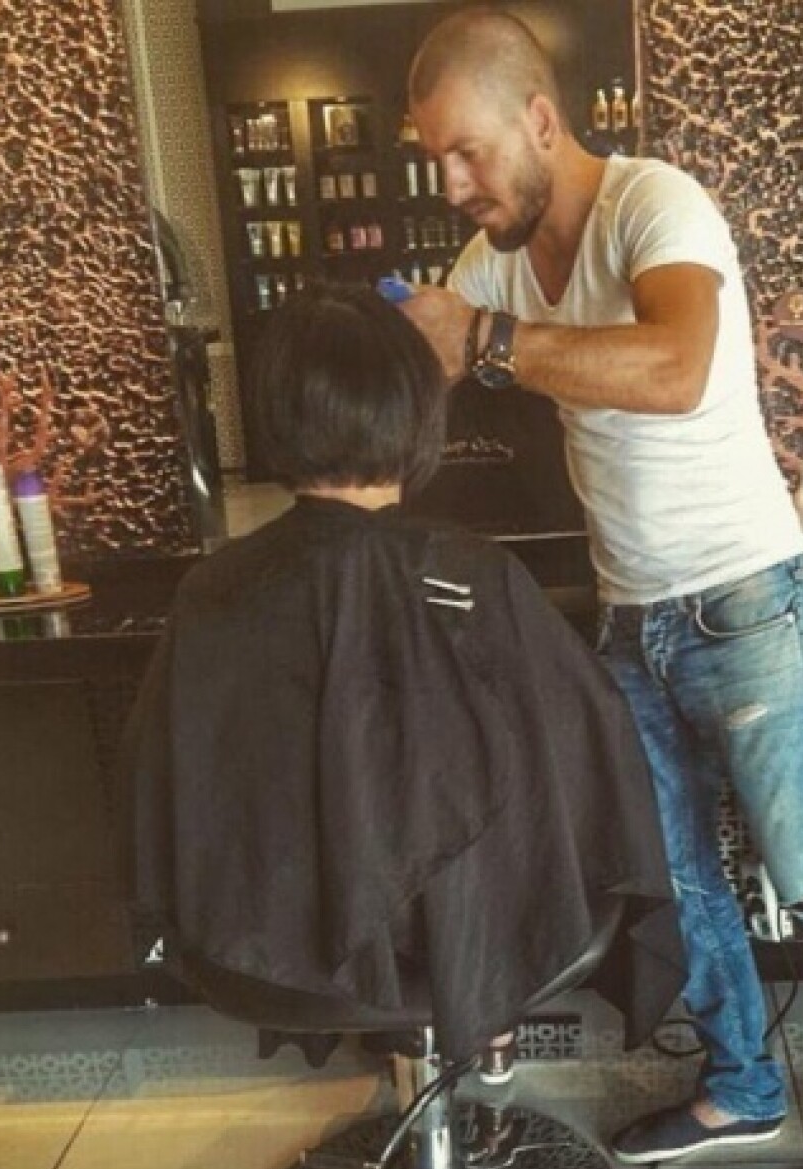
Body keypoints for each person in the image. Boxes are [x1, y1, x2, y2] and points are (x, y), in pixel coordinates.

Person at [400, 7, 803, 1169]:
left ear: (539, 120)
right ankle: (740, 1083)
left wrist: (487, 341)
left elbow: (673, 366)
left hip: (746, 603)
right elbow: (423, 377)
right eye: (433, 159)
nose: (450, 184)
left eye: (466, 152)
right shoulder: (488, 263)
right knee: (674, 875)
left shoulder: (655, 206)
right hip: (630, 620)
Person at [124, 282, 686, 1070]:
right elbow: (592, 757)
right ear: (418, 413)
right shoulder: (476, 576)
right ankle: (481, 1019)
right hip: (475, 933)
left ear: (275, 414)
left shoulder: (214, 589)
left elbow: (166, 784)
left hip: (271, 942)